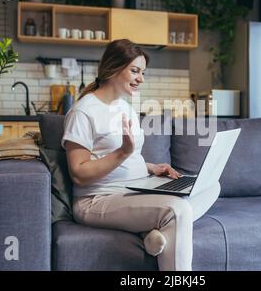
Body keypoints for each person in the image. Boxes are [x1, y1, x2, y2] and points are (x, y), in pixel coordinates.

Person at [61, 39, 220, 271]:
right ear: (113, 68)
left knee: (210, 186)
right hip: (97, 199)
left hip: (135, 188)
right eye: (134, 71)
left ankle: (155, 231)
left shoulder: (125, 107)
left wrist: (150, 167)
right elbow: (79, 173)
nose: (141, 79)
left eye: (143, 72)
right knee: (178, 210)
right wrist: (123, 152)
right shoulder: (83, 111)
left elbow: (123, 156)